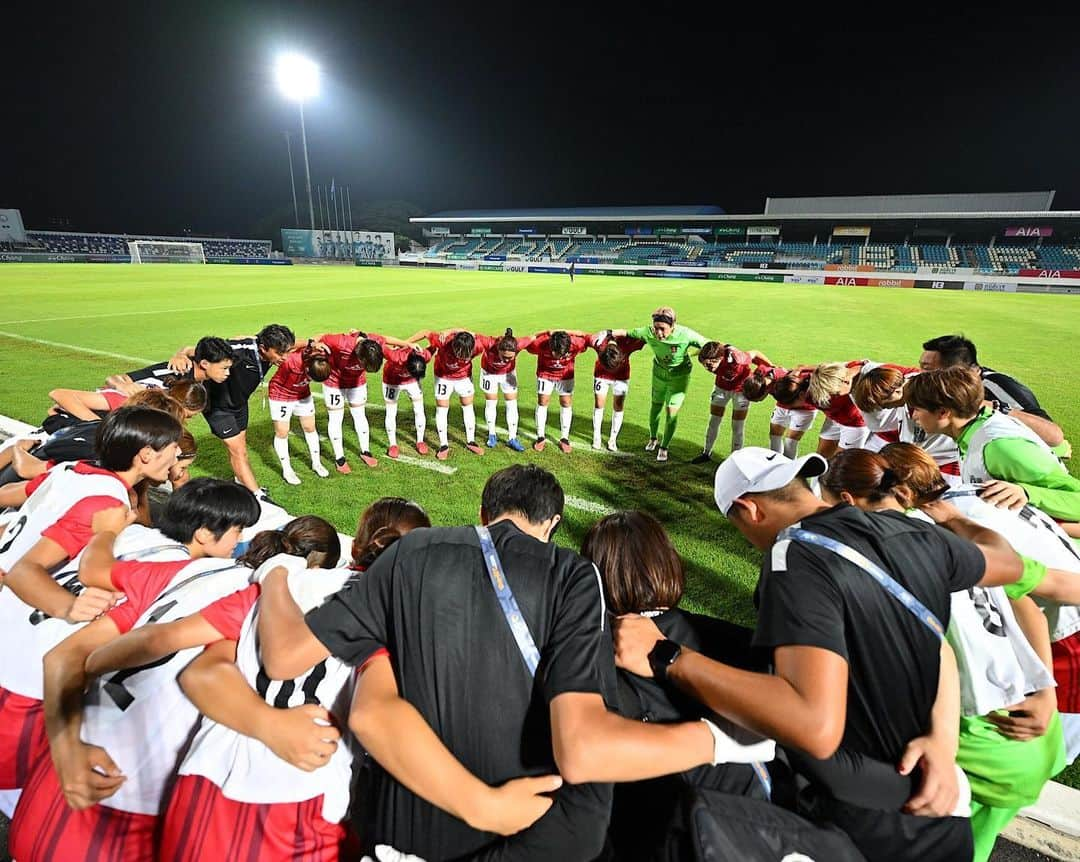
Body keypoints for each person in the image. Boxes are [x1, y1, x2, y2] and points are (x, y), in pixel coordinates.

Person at [257, 465, 731, 861]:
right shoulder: (574, 575)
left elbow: (283, 657)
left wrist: (276, 575)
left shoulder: (412, 552)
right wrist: (725, 741)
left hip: (399, 830)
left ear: (482, 515)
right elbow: (583, 739)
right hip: (522, 828)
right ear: (553, 524)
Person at [614, 446, 1027, 862]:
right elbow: (1008, 566)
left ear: (748, 509)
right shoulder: (910, 531)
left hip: (864, 819)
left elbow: (813, 725)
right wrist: (943, 739)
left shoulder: (792, 556)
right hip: (942, 806)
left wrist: (669, 657)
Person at [818, 449, 1065, 862]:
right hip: (1039, 733)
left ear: (846, 501)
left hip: (983, 741)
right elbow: (1028, 607)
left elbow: (930, 655)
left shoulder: (877, 556)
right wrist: (1047, 690)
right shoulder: (957, 533)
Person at [152, 501, 430, 861]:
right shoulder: (401, 616)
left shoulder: (284, 579)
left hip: (203, 779)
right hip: (301, 793)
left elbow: (199, 669)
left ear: (357, 547)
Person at [9, 479, 262, 862]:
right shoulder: (220, 587)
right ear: (204, 533)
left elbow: (92, 575)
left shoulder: (142, 550)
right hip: (121, 790)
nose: (239, 540)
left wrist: (109, 532)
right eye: (237, 531)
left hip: (58, 752)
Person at [0, 406, 183, 793]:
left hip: (9, 630)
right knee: (17, 784)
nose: (177, 456)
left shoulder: (74, 471)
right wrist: (67, 606)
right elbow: (24, 571)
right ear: (146, 454)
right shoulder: (105, 502)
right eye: (172, 447)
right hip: (23, 660)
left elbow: (11, 497)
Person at [582, 510, 773, 859]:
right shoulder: (732, 640)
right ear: (666, 562)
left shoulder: (580, 661)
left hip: (660, 834)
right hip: (763, 827)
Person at [880, 442, 1080, 764]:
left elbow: (1036, 593)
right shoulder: (968, 493)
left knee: (1043, 737)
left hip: (1071, 627)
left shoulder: (952, 530)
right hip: (1060, 605)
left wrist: (1045, 692)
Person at [906, 366, 1080, 522]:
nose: (913, 416)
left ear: (944, 412)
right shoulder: (970, 430)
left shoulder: (1000, 448)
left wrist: (1028, 493)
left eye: (918, 409)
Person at [167, 324, 298, 491]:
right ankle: (255, 494)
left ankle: (241, 482)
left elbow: (291, 345)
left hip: (240, 404)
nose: (285, 357)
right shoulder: (238, 349)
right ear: (264, 348)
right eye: (280, 353)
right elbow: (194, 350)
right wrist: (180, 355)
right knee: (238, 451)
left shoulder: (272, 350)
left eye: (288, 352)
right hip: (218, 408)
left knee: (241, 447)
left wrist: (310, 342)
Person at [607, 308, 709, 463]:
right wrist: (609, 333)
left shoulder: (686, 334)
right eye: (656, 328)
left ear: (673, 326)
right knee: (655, 407)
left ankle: (664, 446)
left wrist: (727, 349)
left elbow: (709, 344)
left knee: (671, 412)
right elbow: (626, 333)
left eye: (663, 329)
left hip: (678, 378)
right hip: (658, 375)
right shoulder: (647, 332)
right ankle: (653, 438)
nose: (659, 333)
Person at [313, 330, 414, 473]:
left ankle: (365, 451)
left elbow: (386, 338)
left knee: (360, 415)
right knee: (336, 418)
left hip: (357, 383)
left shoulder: (373, 341)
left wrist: (407, 343)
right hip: (334, 383)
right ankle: (340, 458)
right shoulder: (340, 342)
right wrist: (314, 343)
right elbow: (321, 336)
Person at [919, 334, 1055, 422]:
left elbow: (1046, 428)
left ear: (957, 370)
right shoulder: (948, 385)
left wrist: (988, 407)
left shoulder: (996, 386)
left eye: (927, 369)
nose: (921, 374)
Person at [692, 341, 775, 464]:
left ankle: (735, 460)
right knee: (713, 421)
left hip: (741, 391)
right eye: (705, 365)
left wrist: (771, 366)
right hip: (721, 388)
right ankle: (706, 453)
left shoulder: (738, 358)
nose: (709, 368)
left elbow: (755, 353)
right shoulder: (710, 358)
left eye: (711, 364)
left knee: (737, 426)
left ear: (721, 358)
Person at [267, 347, 332, 485]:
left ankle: (316, 463)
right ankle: (287, 470)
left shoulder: (322, 358)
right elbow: (286, 348)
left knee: (310, 427)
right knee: (282, 432)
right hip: (281, 393)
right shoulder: (291, 361)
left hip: (302, 393)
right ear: (307, 368)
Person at [417, 328, 485, 460]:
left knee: (467, 405)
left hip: (464, 377)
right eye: (458, 352)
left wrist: (452, 330)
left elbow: (473, 333)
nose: (461, 356)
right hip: (443, 377)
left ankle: (471, 441)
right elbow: (425, 332)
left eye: (465, 353)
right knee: (442, 407)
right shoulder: (443, 341)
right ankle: (443, 445)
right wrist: (406, 343)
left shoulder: (478, 346)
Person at [527, 329, 593, 453]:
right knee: (543, 401)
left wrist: (567, 331)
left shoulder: (576, 343)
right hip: (545, 374)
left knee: (566, 403)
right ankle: (540, 436)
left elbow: (586, 336)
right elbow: (530, 339)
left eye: (563, 354)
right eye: (556, 354)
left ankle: (564, 438)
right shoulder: (540, 343)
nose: (559, 358)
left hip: (565, 376)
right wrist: (546, 331)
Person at [476, 328, 533, 451]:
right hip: (488, 373)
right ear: (498, 349)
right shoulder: (489, 343)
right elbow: (471, 334)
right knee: (491, 402)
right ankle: (492, 435)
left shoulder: (519, 344)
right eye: (504, 357)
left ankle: (512, 438)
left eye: (510, 358)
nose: (506, 360)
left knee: (512, 403)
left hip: (508, 374)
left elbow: (535, 336)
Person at [742, 365, 817, 459]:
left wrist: (800, 368)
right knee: (774, 436)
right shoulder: (760, 374)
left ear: (765, 390)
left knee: (790, 441)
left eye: (758, 399)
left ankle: (788, 469)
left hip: (804, 409)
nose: (757, 401)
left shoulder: (788, 377)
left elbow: (819, 369)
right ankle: (775, 464)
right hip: (782, 406)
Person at [116, 335, 234, 393]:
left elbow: (189, 349)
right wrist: (124, 386)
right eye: (224, 368)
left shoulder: (200, 372)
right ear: (204, 363)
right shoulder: (174, 372)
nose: (228, 373)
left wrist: (181, 353)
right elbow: (116, 379)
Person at [590, 330, 645, 452]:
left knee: (618, 405)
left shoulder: (627, 342)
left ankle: (612, 439)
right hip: (601, 376)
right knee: (599, 404)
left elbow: (645, 336)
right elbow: (587, 338)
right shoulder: (600, 342)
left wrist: (625, 332)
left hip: (621, 377)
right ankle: (596, 436)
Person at [806, 361, 872, 457]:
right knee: (821, 456)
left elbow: (865, 364)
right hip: (833, 420)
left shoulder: (851, 373)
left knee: (841, 460)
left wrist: (850, 375)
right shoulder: (808, 388)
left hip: (854, 424)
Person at [381, 343, 432, 459]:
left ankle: (420, 441)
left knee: (419, 409)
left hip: (412, 382)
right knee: (391, 411)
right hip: (392, 380)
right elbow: (380, 343)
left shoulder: (424, 355)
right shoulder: (395, 356)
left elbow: (434, 342)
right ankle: (393, 444)